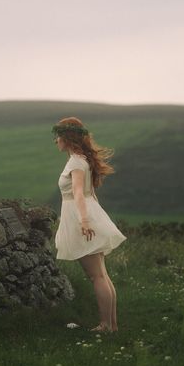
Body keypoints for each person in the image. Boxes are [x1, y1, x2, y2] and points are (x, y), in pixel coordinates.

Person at [53, 117, 127, 333]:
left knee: (96, 276)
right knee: (101, 275)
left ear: (67, 137)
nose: (55, 141)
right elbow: (90, 194)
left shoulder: (76, 162)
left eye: (57, 136)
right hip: (85, 214)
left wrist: (84, 221)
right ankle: (111, 325)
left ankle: (105, 325)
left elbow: (78, 192)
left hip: (80, 218)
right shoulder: (81, 159)